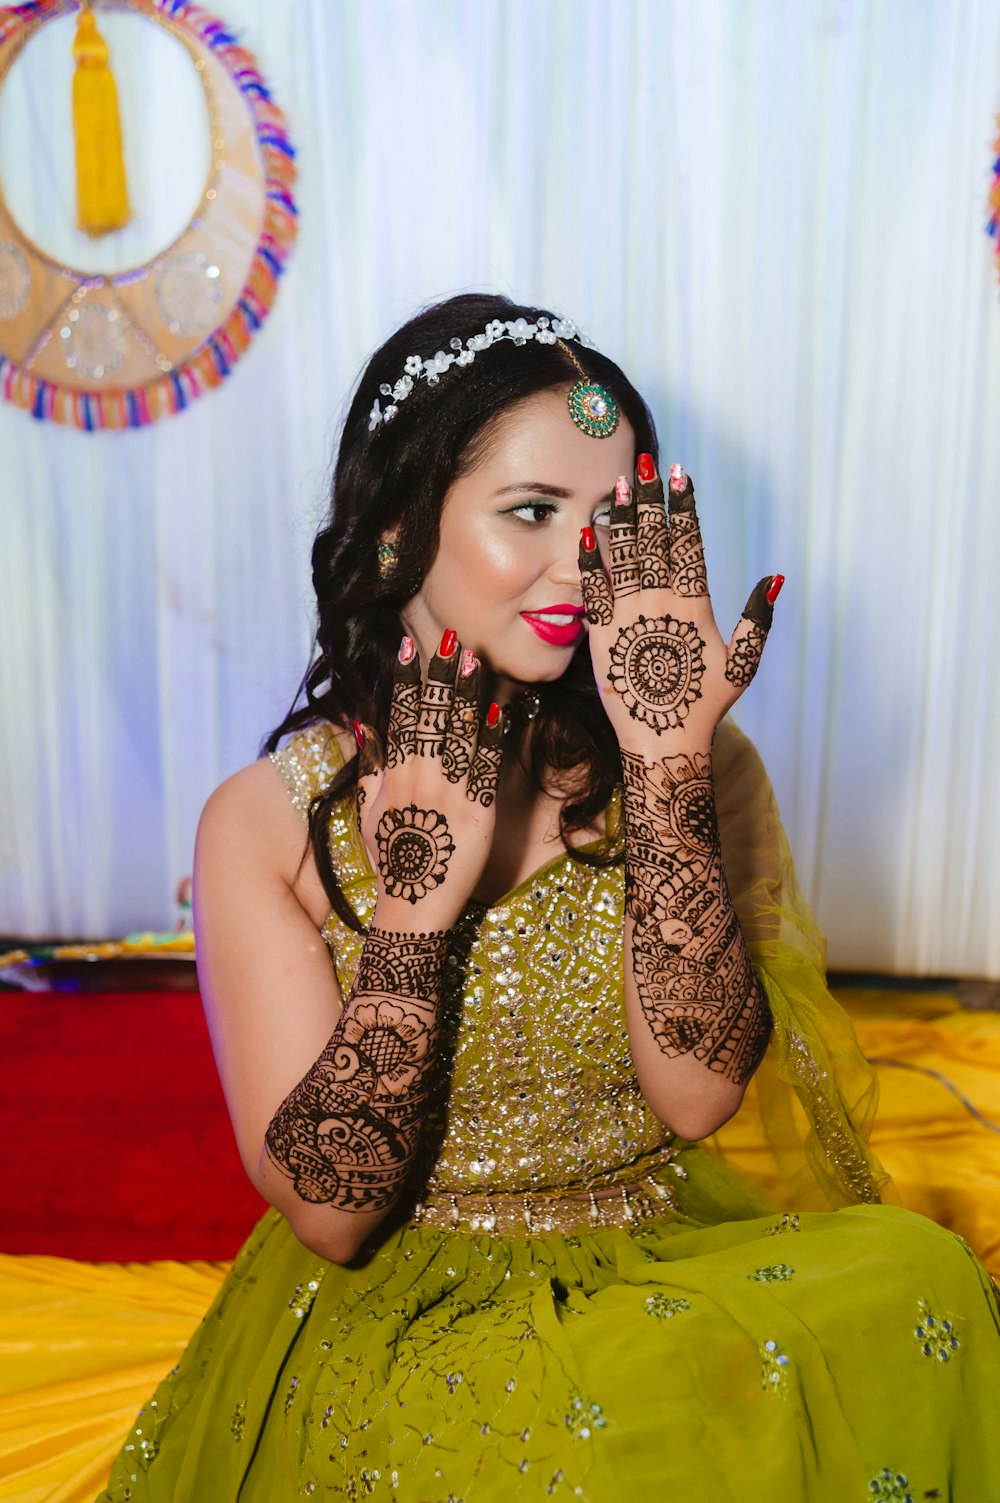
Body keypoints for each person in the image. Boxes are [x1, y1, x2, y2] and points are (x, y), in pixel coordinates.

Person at [99, 293, 1000, 1502]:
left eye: (611, 518)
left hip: (654, 1258)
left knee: (919, 1281)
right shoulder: (267, 821)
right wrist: (418, 905)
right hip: (405, 1303)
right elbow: (329, 1215)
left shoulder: (677, 753)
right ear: (397, 528)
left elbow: (694, 1098)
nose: (584, 565)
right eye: (531, 511)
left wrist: (668, 765)